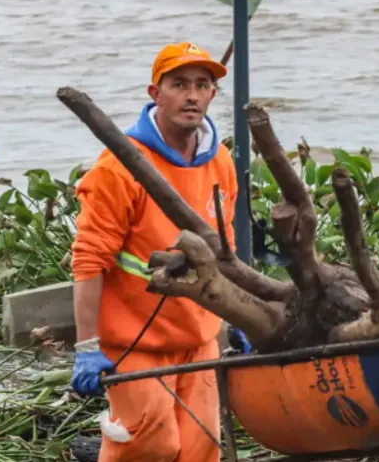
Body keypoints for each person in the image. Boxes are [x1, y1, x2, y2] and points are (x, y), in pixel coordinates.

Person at [69, 41, 248, 462]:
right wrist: (87, 347)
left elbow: (227, 252)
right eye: (179, 84)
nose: (191, 95)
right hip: (133, 343)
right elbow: (89, 261)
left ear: (212, 95)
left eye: (202, 85)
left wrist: (240, 312)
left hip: (198, 338)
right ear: (156, 94)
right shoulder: (118, 168)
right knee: (151, 445)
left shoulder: (219, 161)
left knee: (202, 449)